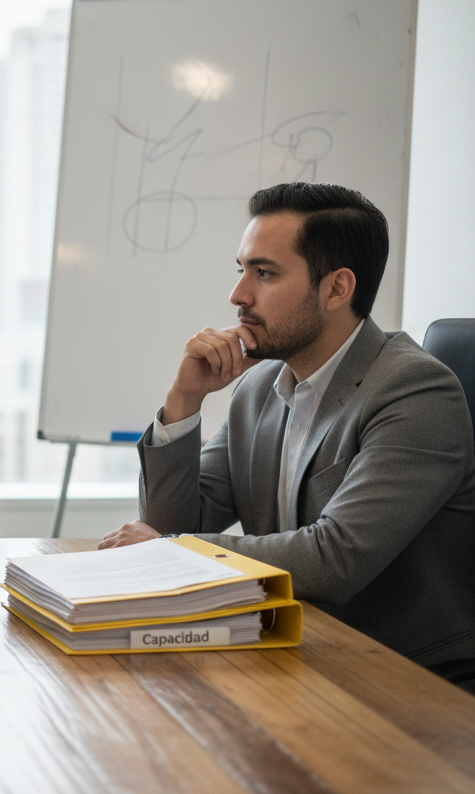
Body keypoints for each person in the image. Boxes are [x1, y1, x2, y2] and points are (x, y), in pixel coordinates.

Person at [99, 182, 475, 667]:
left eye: (265, 273)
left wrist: (173, 550)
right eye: (242, 270)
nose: (238, 294)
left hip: (404, 676)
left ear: (337, 288)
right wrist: (183, 400)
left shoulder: (416, 392)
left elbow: (335, 558)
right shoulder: (259, 389)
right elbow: (172, 525)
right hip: (298, 653)